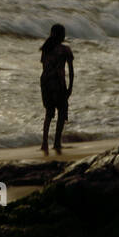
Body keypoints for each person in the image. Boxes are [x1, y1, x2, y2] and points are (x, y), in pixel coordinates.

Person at [39, 24, 74, 153]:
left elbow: (44, 67)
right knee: (62, 111)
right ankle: (57, 142)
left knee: (49, 112)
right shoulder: (65, 50)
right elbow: (70, 71)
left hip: (45, 82)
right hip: (58, 83)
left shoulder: (46, 49)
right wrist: (70, 87)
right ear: (61, 35)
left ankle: (44, 143)